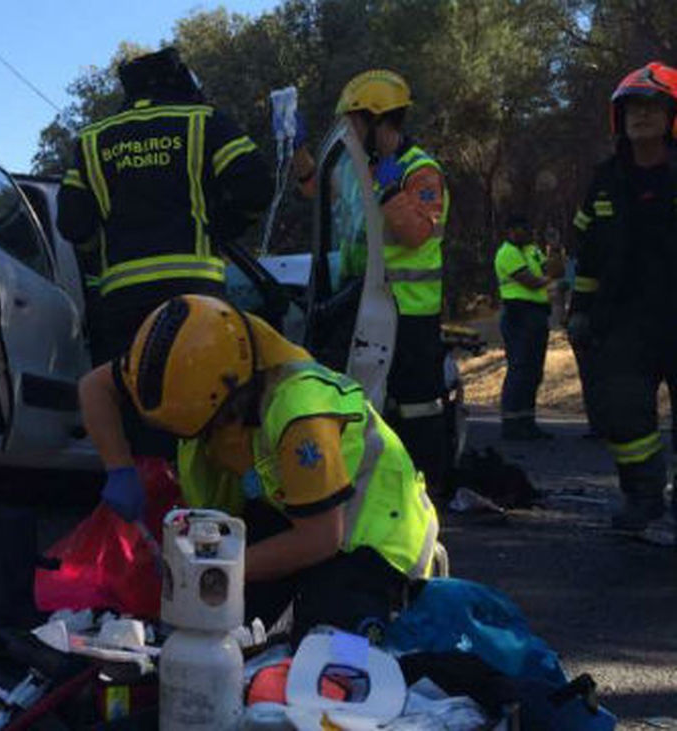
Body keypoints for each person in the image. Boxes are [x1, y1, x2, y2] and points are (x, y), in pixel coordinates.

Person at [78, 294, 439, 634]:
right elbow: (95, 387)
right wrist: (119, 469)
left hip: (373, 538)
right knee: (216, 621)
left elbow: (321, 538)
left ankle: (397, 607)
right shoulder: (199, 352)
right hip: (290, 510)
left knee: (328, 647)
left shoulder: (301, 415)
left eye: (213, 425)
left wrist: (217, 568)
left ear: (234, 397)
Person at [56, 47, 273, 368]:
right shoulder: (203, 121)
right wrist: (223, 227)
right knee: (207, 394)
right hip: (197, 292)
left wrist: (103, 246)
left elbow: (72, 224)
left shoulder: (92, 140)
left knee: (134, 395)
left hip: (122, 302)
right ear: (179, 81)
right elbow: (257, 187)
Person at [323, 69, 451, 496]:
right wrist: (304, 153)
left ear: (378, 121)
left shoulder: (419, 172)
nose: (348, 131)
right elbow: (329, 199)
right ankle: (385, 490)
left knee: (417, 408)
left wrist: (390, 191)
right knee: (375, 407)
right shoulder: (367, 169)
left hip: (410, 312)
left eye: (353, 123)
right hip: (369, 306)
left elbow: (415, 235)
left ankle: (428, 492)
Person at [569, 61, 677, 532]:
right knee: (622, 412)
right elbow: (588, 255)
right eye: (632, 107)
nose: (641, 116)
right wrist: (579, 312)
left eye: (653, 106)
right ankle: (643, 498)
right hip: (625, 322)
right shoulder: (605, 181)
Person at [494, 215, 554, 440]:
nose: (524, 233)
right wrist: (550, 281)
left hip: (537, 313)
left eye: (527, 228)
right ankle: (511, 423)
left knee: (533, 371)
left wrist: (555, 248)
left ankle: (527, 421)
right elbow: (530, 280)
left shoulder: (532, 250)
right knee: (519, 369)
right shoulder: (507, 253)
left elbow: (553, 268)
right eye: (519, 229)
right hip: (518, 314)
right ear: (509, 231)